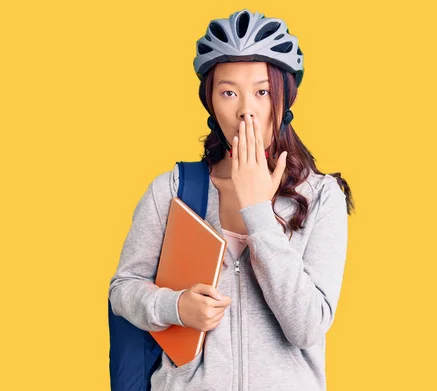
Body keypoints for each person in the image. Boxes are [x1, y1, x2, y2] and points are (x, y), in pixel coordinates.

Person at [109, 8, 355, 391]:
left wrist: (258, 212)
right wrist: (175, 307)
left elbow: (307, 327)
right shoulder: (173, 189)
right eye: (228, 92)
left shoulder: (322, 197)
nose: (246, 110)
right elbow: (124, 289)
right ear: (210, 102)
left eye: (262, 92)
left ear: (284, 99)